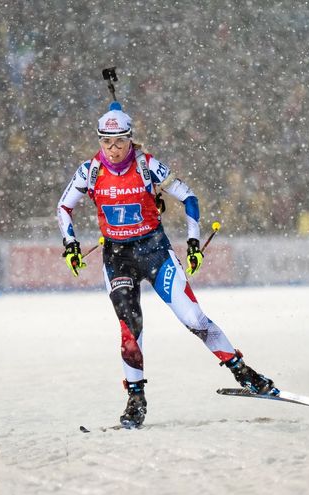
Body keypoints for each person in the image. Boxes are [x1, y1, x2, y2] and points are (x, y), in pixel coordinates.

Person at [57, 102, 276, 429]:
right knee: (130, 329)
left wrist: (192, 241)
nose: (113, 149)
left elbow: (189, 197)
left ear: (130, 138)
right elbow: (63, 207)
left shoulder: (147, 166)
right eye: (106, 141)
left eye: (119, 141)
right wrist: (70, 244)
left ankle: (243, 372)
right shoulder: (89, 171)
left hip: (154, 250)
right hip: (118, 258)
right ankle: (136, 398)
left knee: (194, 319)